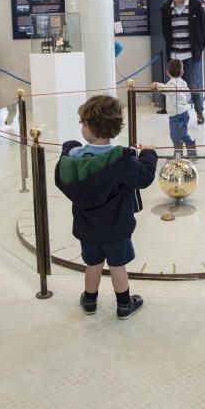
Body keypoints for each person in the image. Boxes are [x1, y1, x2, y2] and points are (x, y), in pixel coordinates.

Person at [54, 95, 157, 320]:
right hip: (116, 229)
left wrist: (68, 147)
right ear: (115, 128)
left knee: (92, 264)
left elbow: (61, 174)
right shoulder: (122, 159)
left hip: (87, 228)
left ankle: (90, 300)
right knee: (118, 266)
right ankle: (123, 304)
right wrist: (148, 153)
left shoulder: (74, 158)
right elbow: (144, 177)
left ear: (88, 127)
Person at [160, 0, 205, 124]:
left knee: (193, 86)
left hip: (191, 56)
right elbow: (165, 32)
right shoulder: (166, 9)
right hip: (174, 56)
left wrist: (198, 48)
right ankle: (177, 115)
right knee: (174, 88)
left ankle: (199, 111)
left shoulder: (196, 8)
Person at [151, 59, 197, 159]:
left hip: (176, 115)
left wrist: (156, 85)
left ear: (167, 72)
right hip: (184, 112)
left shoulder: (171, 83)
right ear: (182, 72)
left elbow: (166, 90)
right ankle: (185, 153)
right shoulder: (183, 82)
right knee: (181, 134)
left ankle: (184, 153)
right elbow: (188, 96)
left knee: (176, 135)